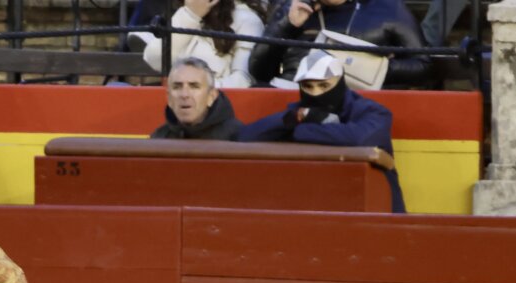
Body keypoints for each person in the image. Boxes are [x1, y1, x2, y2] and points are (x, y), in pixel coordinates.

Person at [239, 51, 406, 211]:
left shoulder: (373, 111)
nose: (315, 93)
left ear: (339, 82)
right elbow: (244, 138)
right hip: (316, 206)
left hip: (378, 208)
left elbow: (360, 139)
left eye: (324, 85)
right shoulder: (299, 113)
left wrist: (300, 131)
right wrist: (296, 117)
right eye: (308, 86)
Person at [248, 0, 430, 88]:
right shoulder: (293, 6)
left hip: (353, 99)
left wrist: (371, 68)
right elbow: (259, 71)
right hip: (293, 93)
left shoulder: (388, 8)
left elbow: (423, 65)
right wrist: (286, 26)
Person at [139, 0, 268, 88]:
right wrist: (191, 16)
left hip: (219, 111)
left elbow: (243, 81)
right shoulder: (185, 14)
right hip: (179, 108)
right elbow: (154, 60)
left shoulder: (248, 20)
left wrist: (196, 90)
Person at [150, 57, 243, 140]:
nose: (184, 94)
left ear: (211, 96)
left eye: (194, 86)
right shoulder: (159, 138)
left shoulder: (237, 137)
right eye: (177, 87)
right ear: (169, 98)